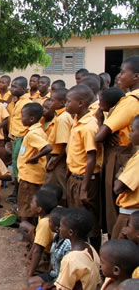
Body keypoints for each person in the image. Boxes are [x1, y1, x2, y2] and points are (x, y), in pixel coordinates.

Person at [96, 56, 139, 236]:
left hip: (120, 154)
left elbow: (100, 135)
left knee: (116, 203)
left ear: (136, 76)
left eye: (123, 72)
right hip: (128, 151)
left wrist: (100, 118)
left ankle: (116, 247)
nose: (119, 76)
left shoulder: (130, 100)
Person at [65, 84, 101, 250]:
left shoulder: (88, 126)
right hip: (75, 177)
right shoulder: (78, 121)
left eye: (68, 101)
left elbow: (91, 157)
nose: (66, 104)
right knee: (76, 219)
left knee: (88, 222)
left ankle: (93, 255)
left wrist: (84, 188)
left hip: (85, 180)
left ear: (80, 103)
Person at [47, 208, 100, 290]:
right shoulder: (91, 249)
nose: (59, 228)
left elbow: (62, 288)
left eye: (61, 226)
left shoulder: (70, 259)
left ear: (70, 232)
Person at [17, 102, 52, 222]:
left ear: (32, 118)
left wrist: (34, 158)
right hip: (34, 175)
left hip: (29, 176)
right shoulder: (38, 130)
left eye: (23, 116)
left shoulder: (33, 134)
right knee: (31, 202)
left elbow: (47, 148)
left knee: (25, 204)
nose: (21, 119)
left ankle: (25, 233)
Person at [27, 207, 71, 287]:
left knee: (36, 286)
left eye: (50, 221)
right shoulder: (56, 236)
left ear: (57, 228)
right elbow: (53, 257)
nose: (48, 222)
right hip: (54, 273)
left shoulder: (68, 245)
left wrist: (51, 284)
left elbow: (66, 273)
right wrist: (48, 275)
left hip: (61, 279)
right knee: (30, 282)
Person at [111, 115, 139, 238]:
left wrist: (121, 172)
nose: (130, 134)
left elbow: (118, 187)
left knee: (119, 253)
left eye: (132, 130)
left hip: (130, 214)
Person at [45, 88, 73, 203]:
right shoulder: (58, 116)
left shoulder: (63, 118)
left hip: (58, 158)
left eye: (52, 100)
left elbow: (63, 144)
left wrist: (54, 162)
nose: (50, 103)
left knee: (58, 188)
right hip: (55, 157)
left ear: (62, 102)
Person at [7, 76, 32, 203]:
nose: (11, 88)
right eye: (12, 85)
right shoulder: (16, 101)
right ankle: (16, 192)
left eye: (15, 86)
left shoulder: (26, 102)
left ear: (23, 88)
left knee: (19, 166)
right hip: (15, 138)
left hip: (22, 138)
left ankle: (19, 194)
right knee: (15, 165)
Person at [26, 190, 58, 277]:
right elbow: (37, 242)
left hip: (52, 255)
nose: (30, 204)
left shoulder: (45, 222)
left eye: (32, 202)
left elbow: (38, 250)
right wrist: (29, 256)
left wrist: (30, 274)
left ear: (40, 209)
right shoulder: (46, 214)